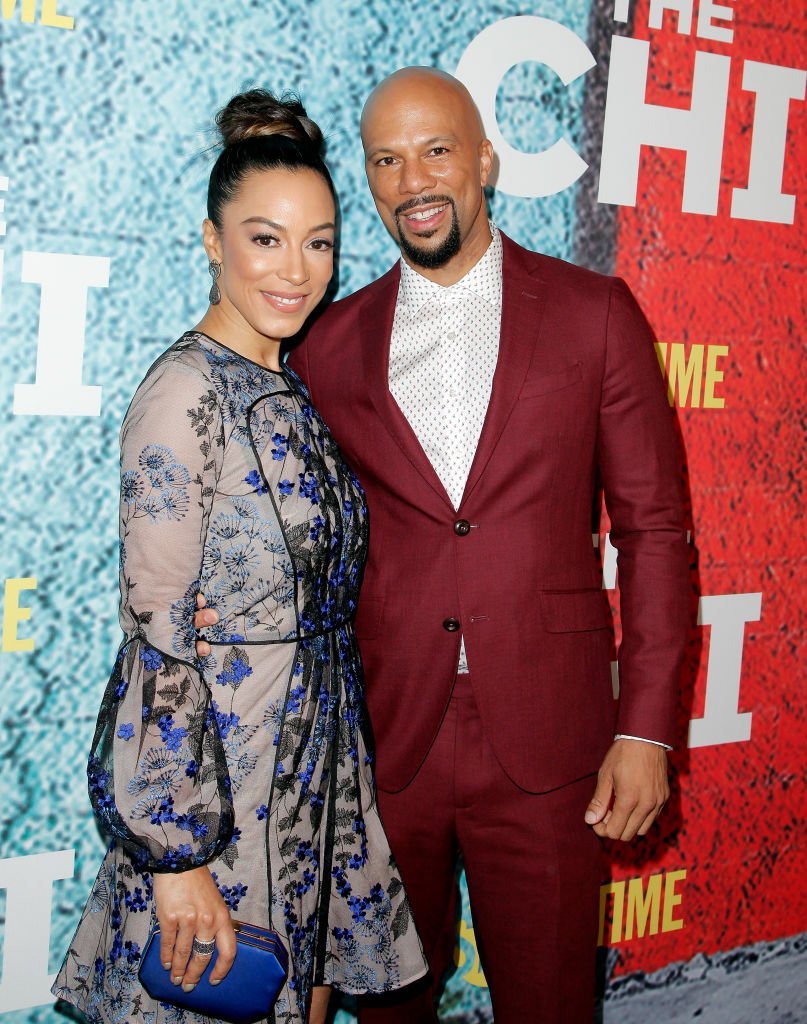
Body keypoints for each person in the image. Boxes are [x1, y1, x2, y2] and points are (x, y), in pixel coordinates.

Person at [194, 68, 690, 1023]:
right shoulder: (329, 346)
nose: (412, 178)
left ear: (485, 161)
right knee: (388, 1012)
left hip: (554, 752)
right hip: (387, 750)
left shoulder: (595, 313)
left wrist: (647, 727)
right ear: (368, 182)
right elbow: (306, 539)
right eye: (386, 159)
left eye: (435, 149)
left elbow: (655, 532)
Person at [52, 89, 427, 1024]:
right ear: (212, 241)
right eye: (265, 239)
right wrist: (175, 859)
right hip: (220, 795)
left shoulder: (287, 385)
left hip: (312, 785)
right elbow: (156, 638)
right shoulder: (185, 394)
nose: (295, 270)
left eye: (319, 242)